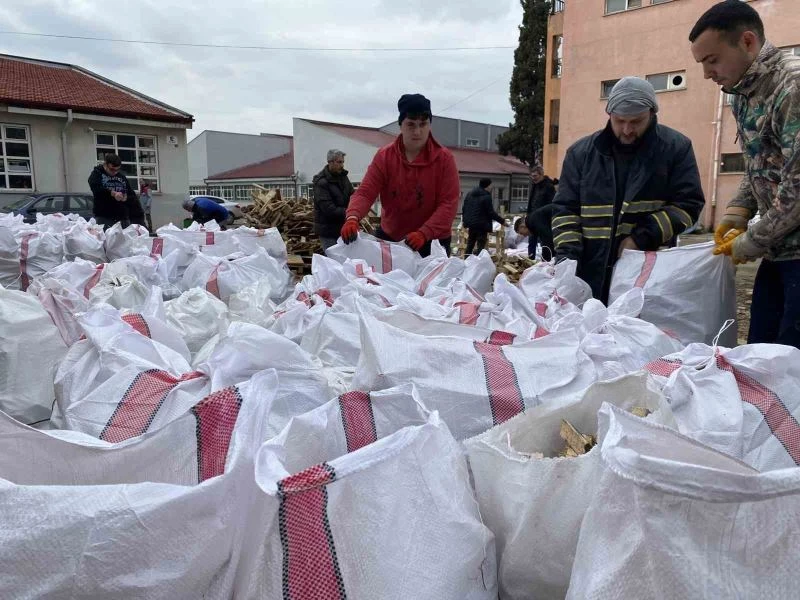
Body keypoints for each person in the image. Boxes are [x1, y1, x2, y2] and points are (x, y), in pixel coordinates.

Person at [692, 1, 800, 348]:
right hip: (780, 250)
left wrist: (751, 241)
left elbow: (797, 188)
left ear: (748, 42)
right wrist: (739, 209)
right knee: (759, 352)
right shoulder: (742, 92)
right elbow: (760, 163)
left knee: (789, 363)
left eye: (712, 60)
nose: (707, 74)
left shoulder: (792, 86)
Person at [551, 77, 705, 303]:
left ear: (652, 114)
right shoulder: (581, 153)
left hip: (645, 272)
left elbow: (688, 205)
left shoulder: (675, 149)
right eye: (619, 120)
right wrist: (567, 259)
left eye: (636, 122)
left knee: (634, 332)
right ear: (609, 114)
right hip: (588, 271)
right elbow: (565, 209)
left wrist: (640, 238)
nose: (627, 129)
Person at [340, 93, 459, 257]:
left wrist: (424, 233)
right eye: (411, 124)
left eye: (423, 124)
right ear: (400, 125)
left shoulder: (444, 160)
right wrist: (352, 217)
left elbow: (448, 205)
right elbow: (366, 192)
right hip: (391, 239)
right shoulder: (384, 157)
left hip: (432, 243)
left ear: (429, 125)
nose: (417, 131)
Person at [88, 153, 145, 229]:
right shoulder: (97, 174)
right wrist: (113, 194)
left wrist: (126, 197)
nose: (114, 172)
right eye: (112, 169)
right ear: (105, 164)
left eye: (117, 170)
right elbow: (97, 189)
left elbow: (132, 196)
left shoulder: (121, 177)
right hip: (104, 217)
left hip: (122, 218)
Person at [313, 149, 355, 253]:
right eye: (339, 162)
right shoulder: (321, 182)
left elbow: (352, 195)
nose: (342, 165)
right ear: (330, 162)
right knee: (333, 262)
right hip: (328, 232)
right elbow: (328, 209)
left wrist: (357, 208)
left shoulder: (343, 177)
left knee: (346, 261)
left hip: (343, 229)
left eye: (343, 162)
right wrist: (349, 213)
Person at [461, 178, 507, 255]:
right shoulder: (486, 196)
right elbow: (491, 213)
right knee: (480, 246)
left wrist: (465, 221)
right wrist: (502, 221)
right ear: (488, 186)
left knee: (470, 244)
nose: (491, 187)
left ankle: (466, 262)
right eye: (491, 185)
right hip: (482, 225)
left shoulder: (469, 194)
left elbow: (464, 208)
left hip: (471, 224)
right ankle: (479, 263)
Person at [525, 166, 556, 259]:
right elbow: (531, 201)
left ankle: (547, 259)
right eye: (532, 176)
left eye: (535, 176)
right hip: (532, 218)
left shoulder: (549, 186)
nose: (533, 178)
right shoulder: (534, 186)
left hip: (543, 219)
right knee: (532, 240)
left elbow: (552, 203)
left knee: (545, 241)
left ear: (541, 174)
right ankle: (531, 258)